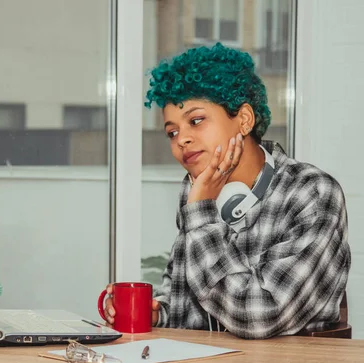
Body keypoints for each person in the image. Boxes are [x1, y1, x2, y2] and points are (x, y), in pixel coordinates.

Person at [103, 43, 351, 340]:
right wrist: (159, 312)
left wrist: (201, 215)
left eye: (196, 121)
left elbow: (260, 316)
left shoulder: (311, 192)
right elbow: (191, 303)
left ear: (244, 120)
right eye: (172, 132)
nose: (182, 140)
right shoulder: (198, 191)